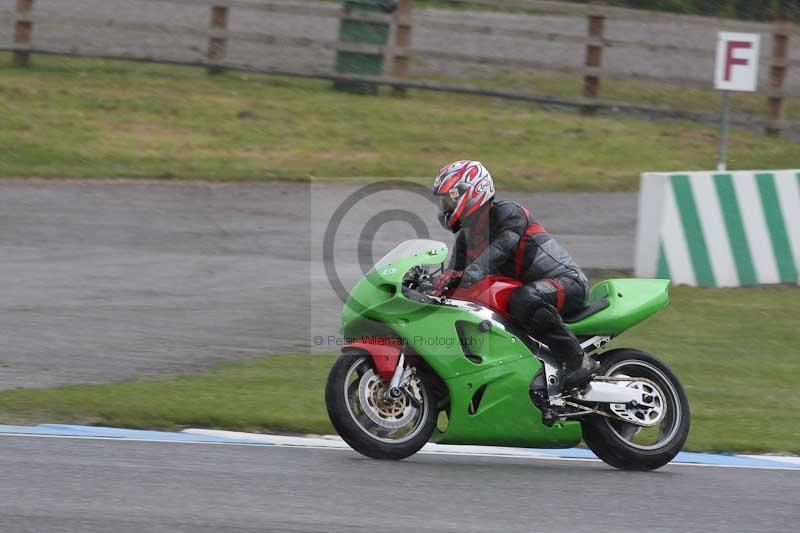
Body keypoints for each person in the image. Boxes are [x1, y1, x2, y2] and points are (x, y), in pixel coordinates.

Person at [431, 160, 599, 390]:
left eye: (449, 200)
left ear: (472, 193)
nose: (445, 207)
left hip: (568, 283)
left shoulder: (508, 213)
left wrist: (466, 275)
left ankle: (577, 361)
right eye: (443, 202)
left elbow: (501, 249)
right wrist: (432, 286)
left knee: (523, 299)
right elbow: (454, 276)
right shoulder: (465, 238)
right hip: (532, 295)